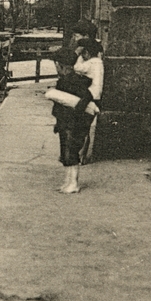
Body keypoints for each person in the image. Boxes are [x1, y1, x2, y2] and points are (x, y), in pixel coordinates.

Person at [51, 48, 93, 193]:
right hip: (67, 122)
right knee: (67, 153)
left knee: (71, 153)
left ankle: (73, 183)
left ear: (60, 65)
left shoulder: (67, 82)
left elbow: (85, 97)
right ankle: (68, 181)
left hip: (71, 123)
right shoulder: (77, 80)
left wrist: (77, 111)